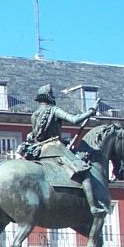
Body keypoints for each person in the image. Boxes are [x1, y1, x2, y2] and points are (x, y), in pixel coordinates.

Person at [19, 84, 105, 215]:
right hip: (55, 149)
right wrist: (91, 110)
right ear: (50, 97)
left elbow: (36, 135)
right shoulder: (54, 110)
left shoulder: (34, 115)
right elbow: (75, 120)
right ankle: (93, 207)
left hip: (40, 151)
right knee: (83, 171)